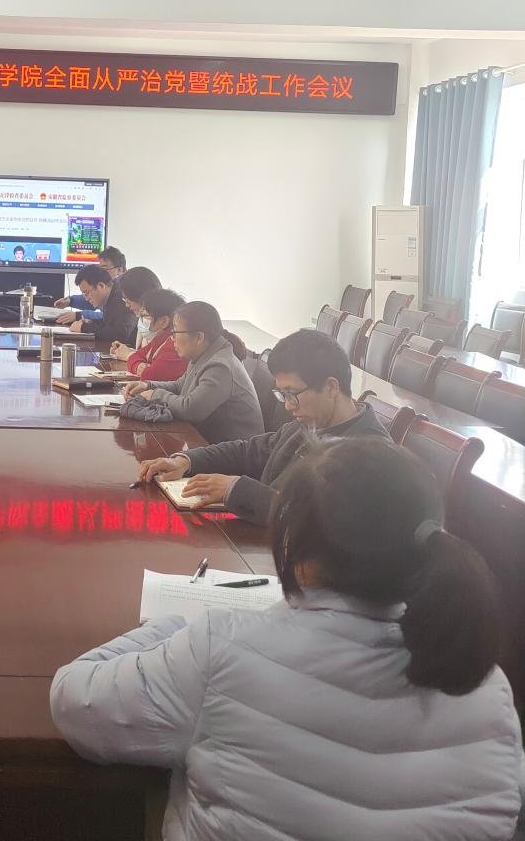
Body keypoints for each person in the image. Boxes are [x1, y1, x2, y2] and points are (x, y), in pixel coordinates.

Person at [51, 437, 524, 841]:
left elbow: (74, 700)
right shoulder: (486, 686)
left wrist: (171, 626)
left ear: (300, 552)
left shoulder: (221, 652)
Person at [137, 329, 390, 522]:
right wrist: (185, 461)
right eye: (282, 395)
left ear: (331, 387)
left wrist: (235, 489)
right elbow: (249, 451)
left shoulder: (371, 454)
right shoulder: (311, 422)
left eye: (292, 394)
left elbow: (318, 520)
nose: (288, 406)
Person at [123, 301, 263, 443]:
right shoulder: (203, 355)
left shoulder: (221, 366)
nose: (172, 338)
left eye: (175, 332)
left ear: (199, 337)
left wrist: (155, 395)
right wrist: (147, 385)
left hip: (234, 453)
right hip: (209, 443)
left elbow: (191, 409)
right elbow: (179, 386)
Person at [121, 289, 189, 382]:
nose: (141, 320)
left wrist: (143, 368)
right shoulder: (160, 338)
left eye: (145, 316)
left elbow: (149, 376)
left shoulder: (174, 344)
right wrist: (138, 366)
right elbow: (136, 356)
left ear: (164, 321)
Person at [66, 262, 137, 345]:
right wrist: (91, 323)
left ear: (101, 286)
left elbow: (121, 334)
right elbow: (110, 324)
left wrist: (84, 328)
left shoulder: (121, 297)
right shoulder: (110, 294)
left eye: (87, 293)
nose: (86, 298)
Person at [55, 246, 127, 323]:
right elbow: (93, 299)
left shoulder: (125, 292)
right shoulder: (110, 286)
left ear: (119, 270)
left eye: (104, 269)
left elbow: (107, 317)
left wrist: (79, 315)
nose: (100, 273)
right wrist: (70, 301)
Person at [107, 268, 163, 358]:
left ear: (140, 296)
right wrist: (124, 350)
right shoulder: (142, 320)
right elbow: (143, 353)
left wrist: (129, 355)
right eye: (124, 299)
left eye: (128, 299)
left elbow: (154, 362)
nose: (126, 305)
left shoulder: (161, 323)